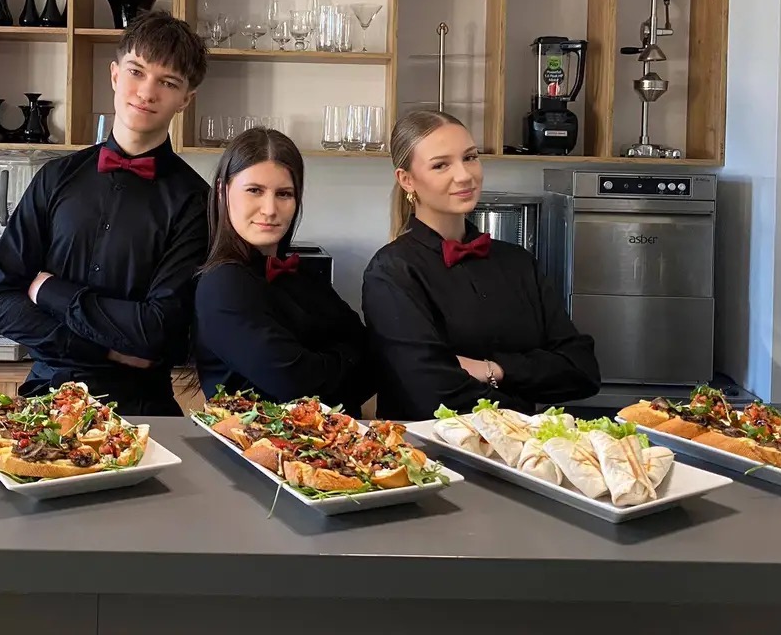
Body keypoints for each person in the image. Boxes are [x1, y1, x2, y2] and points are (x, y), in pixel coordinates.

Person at [0, 11, 210, 416]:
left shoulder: (196, 201)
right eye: (136, 72)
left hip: (144, 410)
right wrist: (105, 349)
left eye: (168, 82)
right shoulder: (55, 177)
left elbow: (157, 331)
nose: (147, 92)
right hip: (45, 401)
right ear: (115, 75)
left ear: (185, 99)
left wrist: (50, 292)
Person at [361, 109, 600, 419]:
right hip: (427, 447)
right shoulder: (390, 271)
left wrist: (493, 370)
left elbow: (582, 370)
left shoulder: (518, 262)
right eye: (441, 165)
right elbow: (430, 393)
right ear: (407, 180)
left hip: (522, 445)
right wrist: (523, 402)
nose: (464, 175)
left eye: (470, 157)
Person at [193, 127, 373, 413]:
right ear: (222, 191)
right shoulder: (222, 283)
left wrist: (323, 366)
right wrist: (344, 359)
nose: (270, 209)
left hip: (331, 438)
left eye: (284, 194)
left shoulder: (301, 274)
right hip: (254, 441)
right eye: (254, 191)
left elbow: (371, 357)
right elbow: (295, 384)